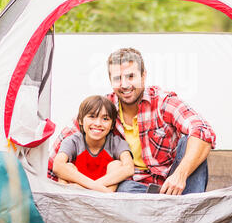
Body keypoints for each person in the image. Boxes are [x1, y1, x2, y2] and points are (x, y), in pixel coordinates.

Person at [49, 48, 216, 195]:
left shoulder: (163, 102)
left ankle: (190, 210)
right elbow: (61, 147)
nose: (125, 85)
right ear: (110, 81)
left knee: (194, 140)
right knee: (123, 188)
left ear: (143, 76)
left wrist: (180, 174)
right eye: (117, 78)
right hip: (135, 189)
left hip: (175, 186)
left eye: (131, 76)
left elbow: (202, 130)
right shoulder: (105, 111)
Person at [52, 95, 134, 193]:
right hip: (75, 197)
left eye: (105, 119)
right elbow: (57, 166)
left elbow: (129, 168)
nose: (98, 123)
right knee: (67, 167)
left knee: (116, 165)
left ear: (112, 125)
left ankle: (107, 198)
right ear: (80, 120)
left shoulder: (117, 142)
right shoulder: (72, 141)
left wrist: (87, 189)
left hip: (101, 193)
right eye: (92, 117)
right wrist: (92, 186)